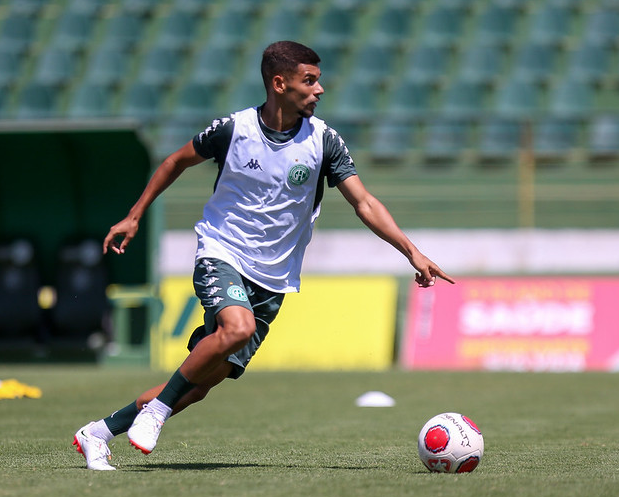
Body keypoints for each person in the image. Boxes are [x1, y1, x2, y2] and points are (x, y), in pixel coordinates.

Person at [72, 40, 454, 471]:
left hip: (273, 279)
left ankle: (97, 432)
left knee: (195, 387)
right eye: (309, 80)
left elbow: (363, 202)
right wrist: (134, 215)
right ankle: (156, 414)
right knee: (237, 328)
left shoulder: (324, 141)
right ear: (279, 83)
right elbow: (174, 162)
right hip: (222, 251)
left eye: (319, 80)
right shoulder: (233, 130)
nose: (319, 90)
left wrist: (412, 252)